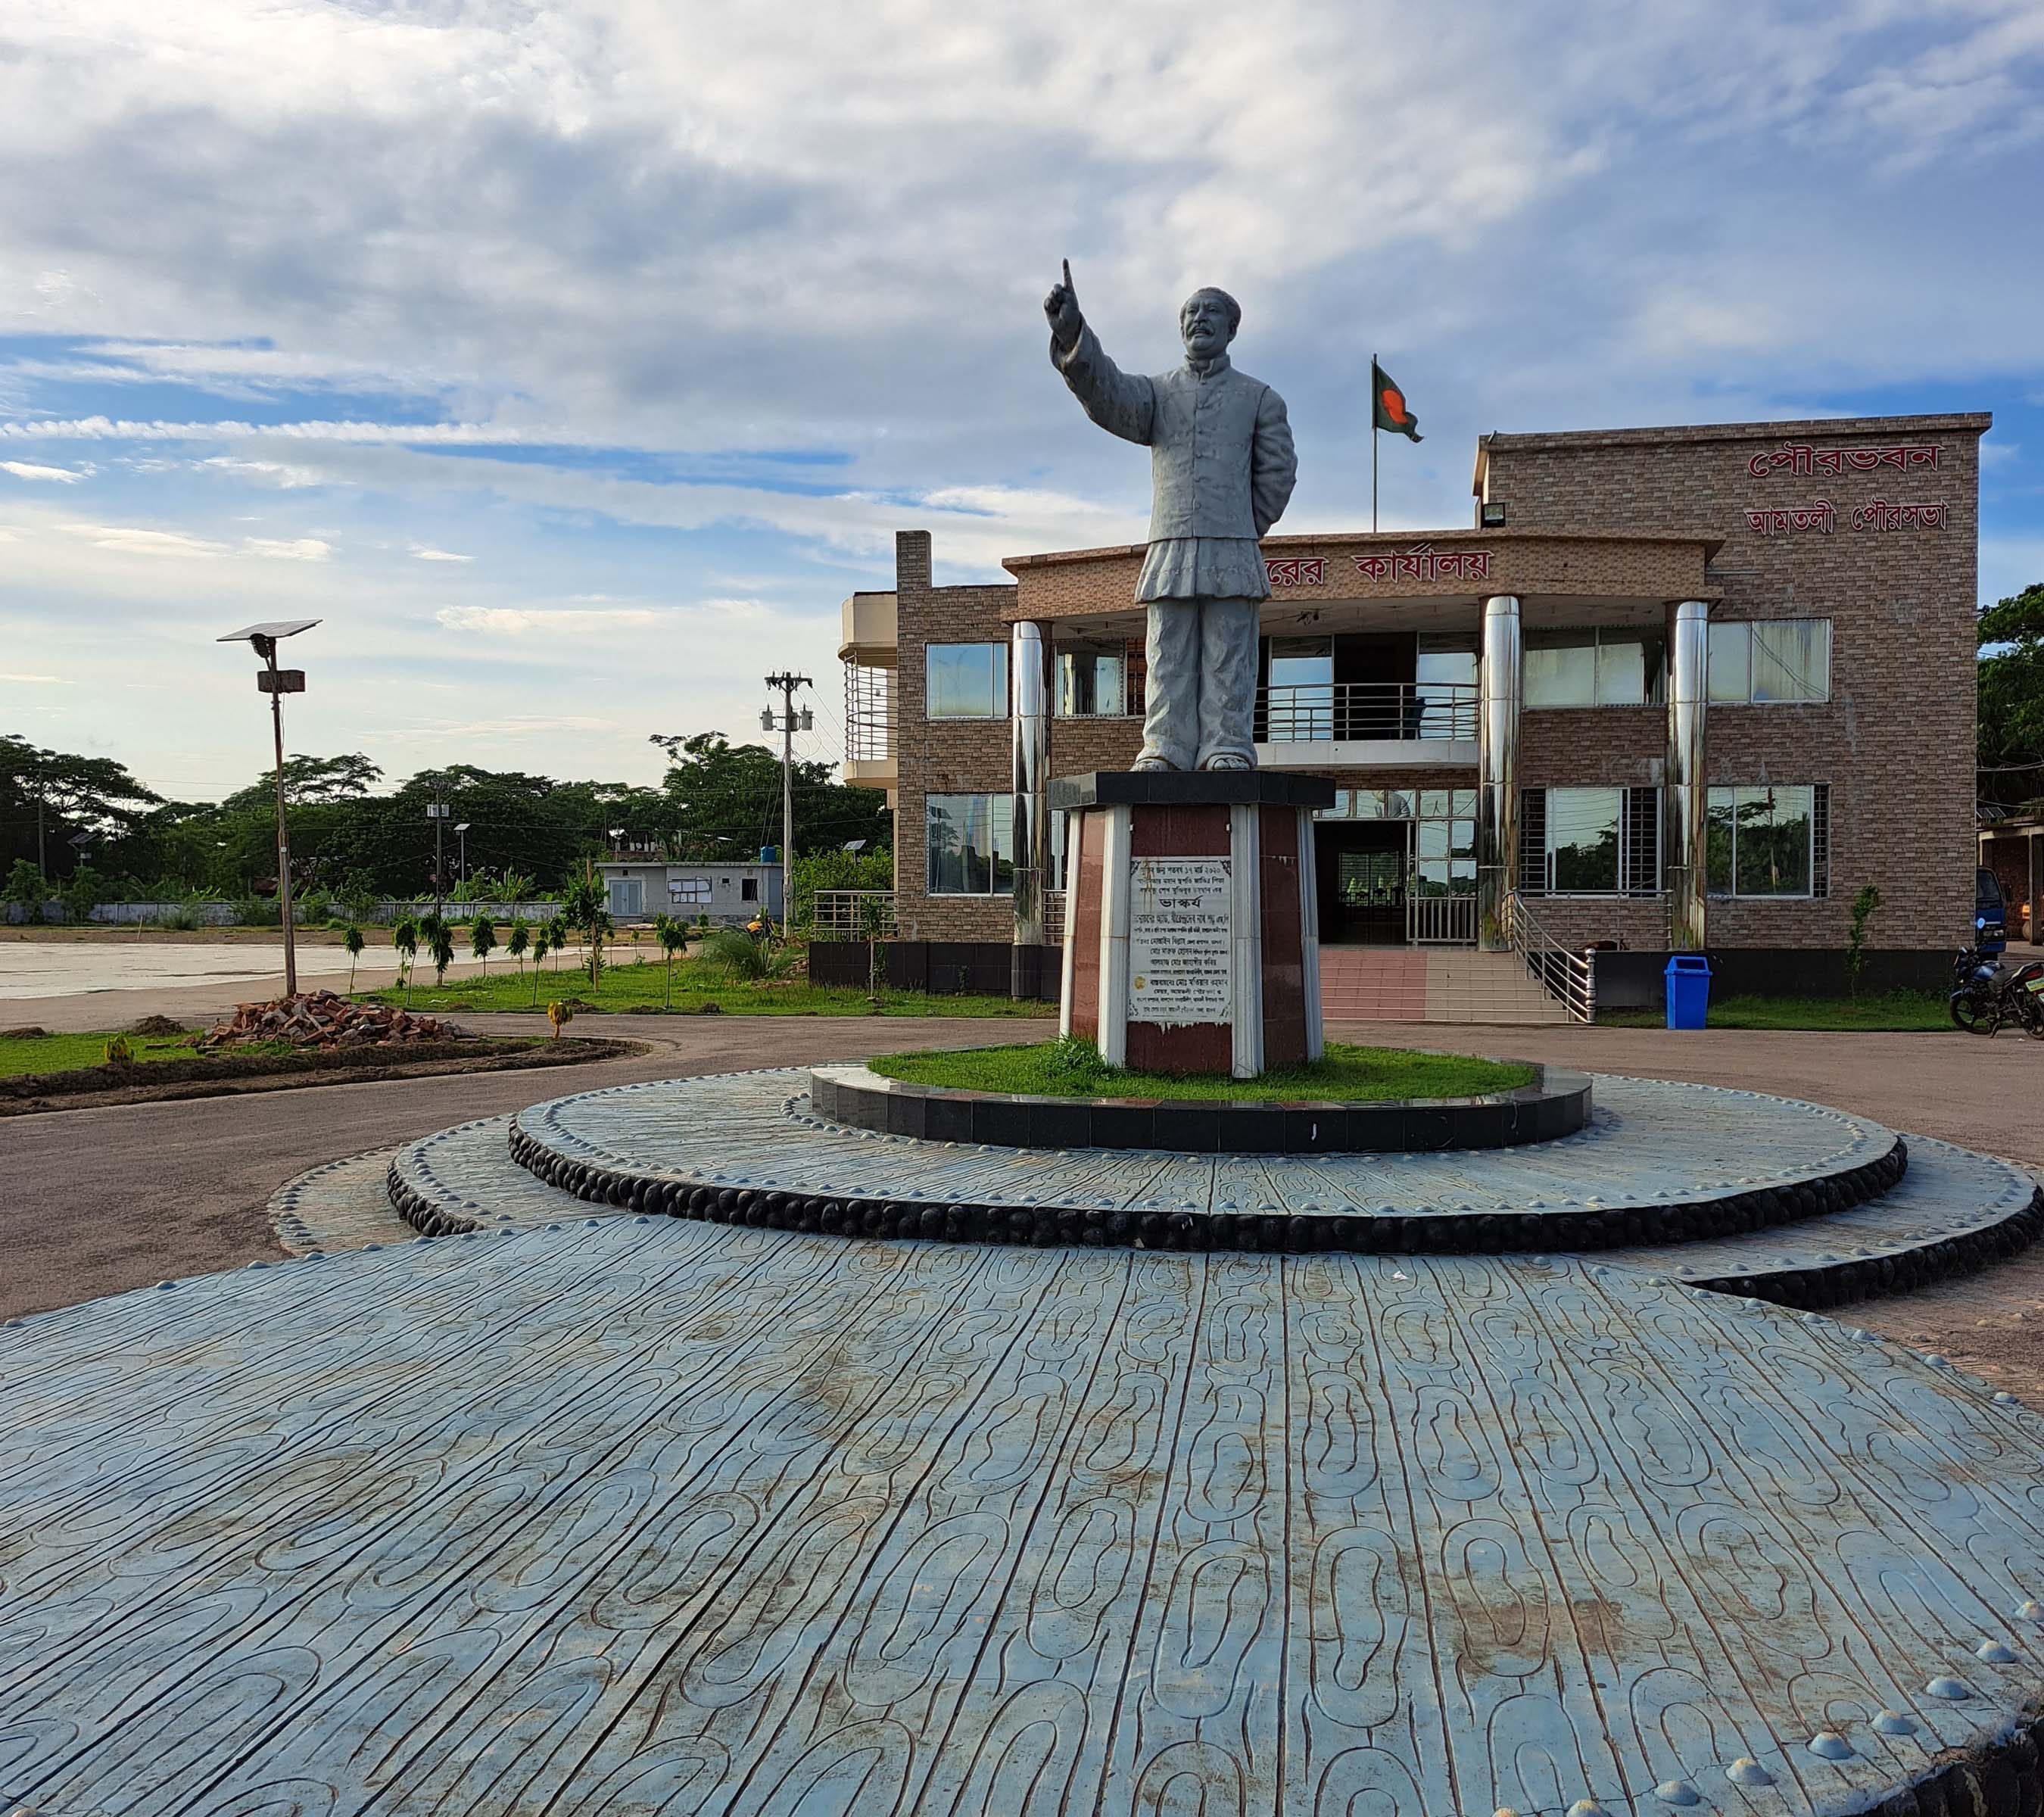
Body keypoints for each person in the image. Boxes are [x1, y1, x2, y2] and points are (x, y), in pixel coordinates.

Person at [1044, 260, 1297, 771]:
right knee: (1167, 653)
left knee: (1229, 654)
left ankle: (1227, 744)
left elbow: (1278, 472)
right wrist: (1073, 334)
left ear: (1232, 329)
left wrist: (1242, 525)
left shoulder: (1259, 398)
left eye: (1211, 311)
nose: (1199, 318)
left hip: (1232, 545)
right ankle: (1166, 745)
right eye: (1190, 312)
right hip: (1171, 544)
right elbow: (1108, 394)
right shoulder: (1157, 394)